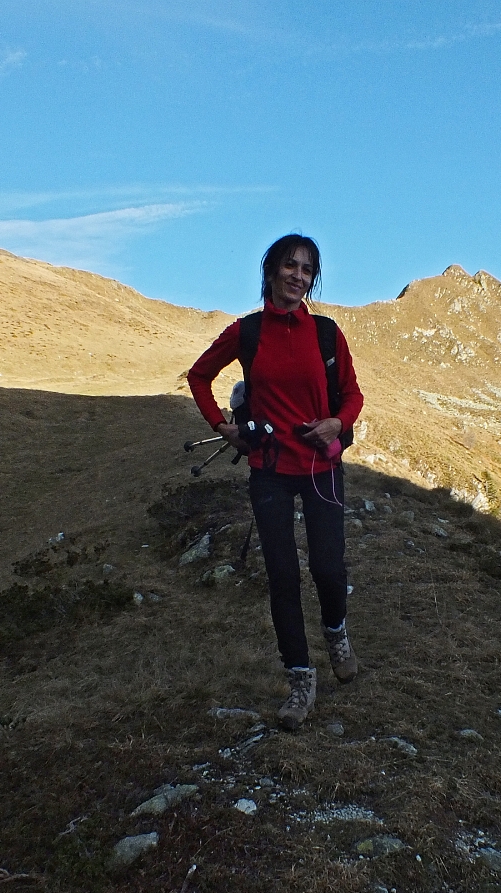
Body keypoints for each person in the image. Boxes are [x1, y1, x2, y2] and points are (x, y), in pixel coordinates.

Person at [187, 234, 364, 730]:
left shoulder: (327, 334)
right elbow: (199, 376)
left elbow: (352, 395)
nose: (299, 276)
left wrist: (336, 424)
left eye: (308, 270)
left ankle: (336, 631)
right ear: (271, 271)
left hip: (321, 469)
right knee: (283, 577)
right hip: (269, 470)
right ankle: (300, 679)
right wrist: (221, 426)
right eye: (291, 266)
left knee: (329, 570)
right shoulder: (247, 332)